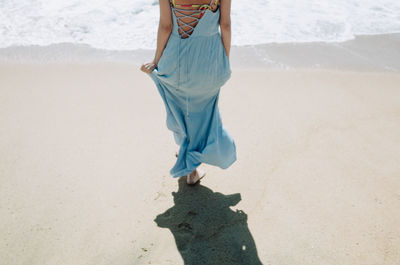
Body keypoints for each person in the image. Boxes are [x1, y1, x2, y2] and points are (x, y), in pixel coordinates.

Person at [140, 0, 236, 185]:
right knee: (205, 115)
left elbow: (166, 27)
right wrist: (224, 59)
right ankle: (193, 157)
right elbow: (225, 25)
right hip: (209, 62)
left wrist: (156, 61)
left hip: (176, 62)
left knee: (180, 111)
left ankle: (189, 163)